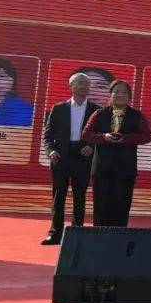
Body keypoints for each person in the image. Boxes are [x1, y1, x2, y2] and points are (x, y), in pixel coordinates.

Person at [40, 72, 101, 245]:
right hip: (61, 156)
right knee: (58, 196)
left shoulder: (96, 110)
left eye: (86, 84)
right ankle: (55, 233)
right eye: (80, 83)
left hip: (82, 156)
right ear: (71, 86)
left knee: (79, 196)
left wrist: (92, 147)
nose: (83, 86)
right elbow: (47, 136)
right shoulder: (58, 108)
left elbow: (99, 135)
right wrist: (50, 151)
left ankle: (76, 233)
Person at [81, 80, 151, 227]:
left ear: (129, 96)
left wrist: (125, 138)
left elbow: (147, 137)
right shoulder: (99, 114)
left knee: (121, 205)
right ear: (110, 94)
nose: (120, 94)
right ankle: (99, 236)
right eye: (116, 91)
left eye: (124, 92)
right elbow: (86, 134)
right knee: (101, 205)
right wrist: (103, 137)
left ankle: (119, 237)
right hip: (102, 168)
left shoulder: (137, 115)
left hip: (125, 168)